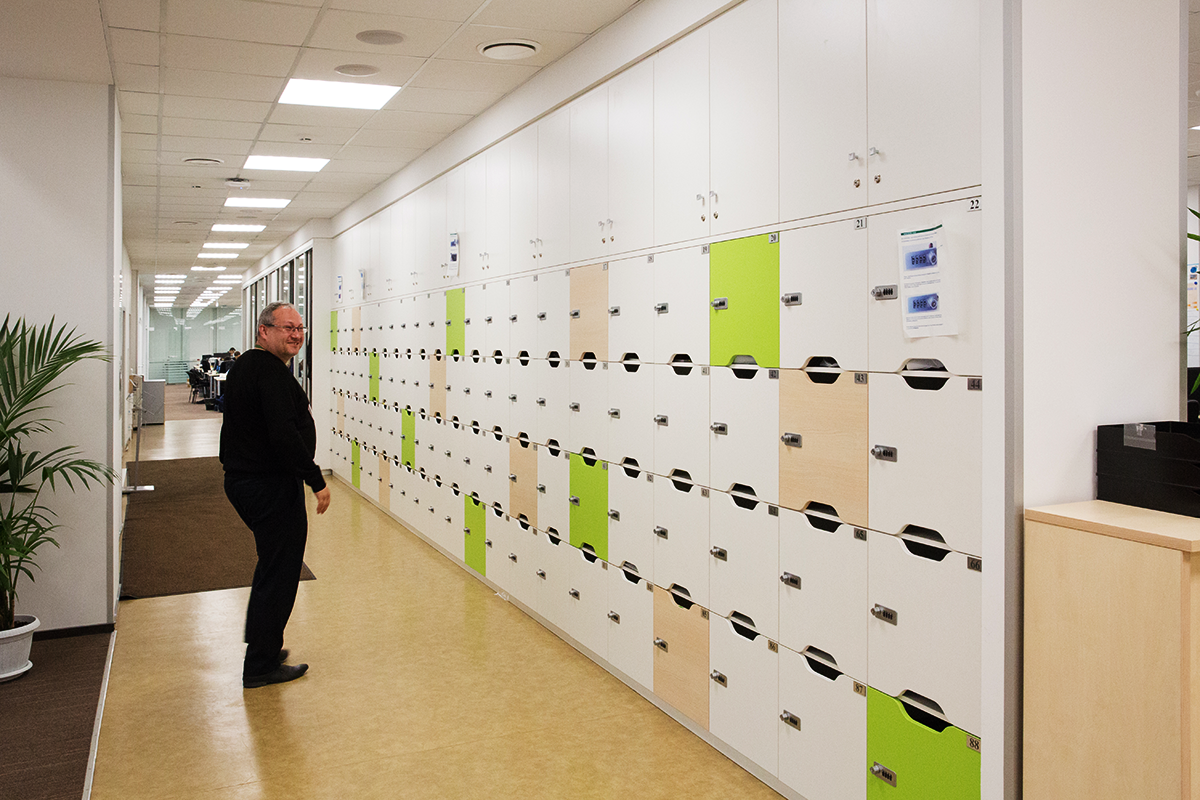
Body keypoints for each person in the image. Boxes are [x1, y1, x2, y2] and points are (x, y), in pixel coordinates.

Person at [220, 301, 331, 688]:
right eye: (287, 328)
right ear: (264, 331)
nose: (296, 335)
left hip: (248, 480)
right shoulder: (268, 371)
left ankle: (263, 645)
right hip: (268, 485)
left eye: (300, 328)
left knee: (271, 566)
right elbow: (283, 434)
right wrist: (315, 479)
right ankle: (261, 664)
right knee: (281, 573)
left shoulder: (247, 366)